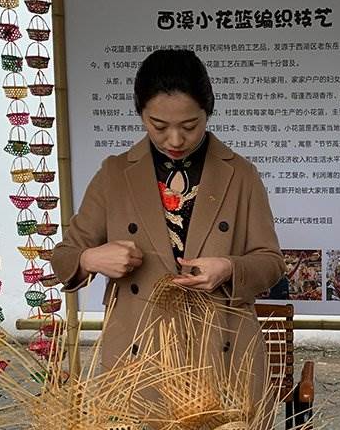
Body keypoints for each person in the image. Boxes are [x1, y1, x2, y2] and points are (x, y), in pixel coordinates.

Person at [52, 49, 285, 372]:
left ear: (208, 112)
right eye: (158, 125)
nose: (175, 140)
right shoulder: (115, 174)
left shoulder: (241, 174)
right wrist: (90, 259)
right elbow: (63, 256)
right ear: (140, 113)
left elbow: (271, 262)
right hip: (138, 353)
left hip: (221, 348)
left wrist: (229, 268)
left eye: (190, 125)